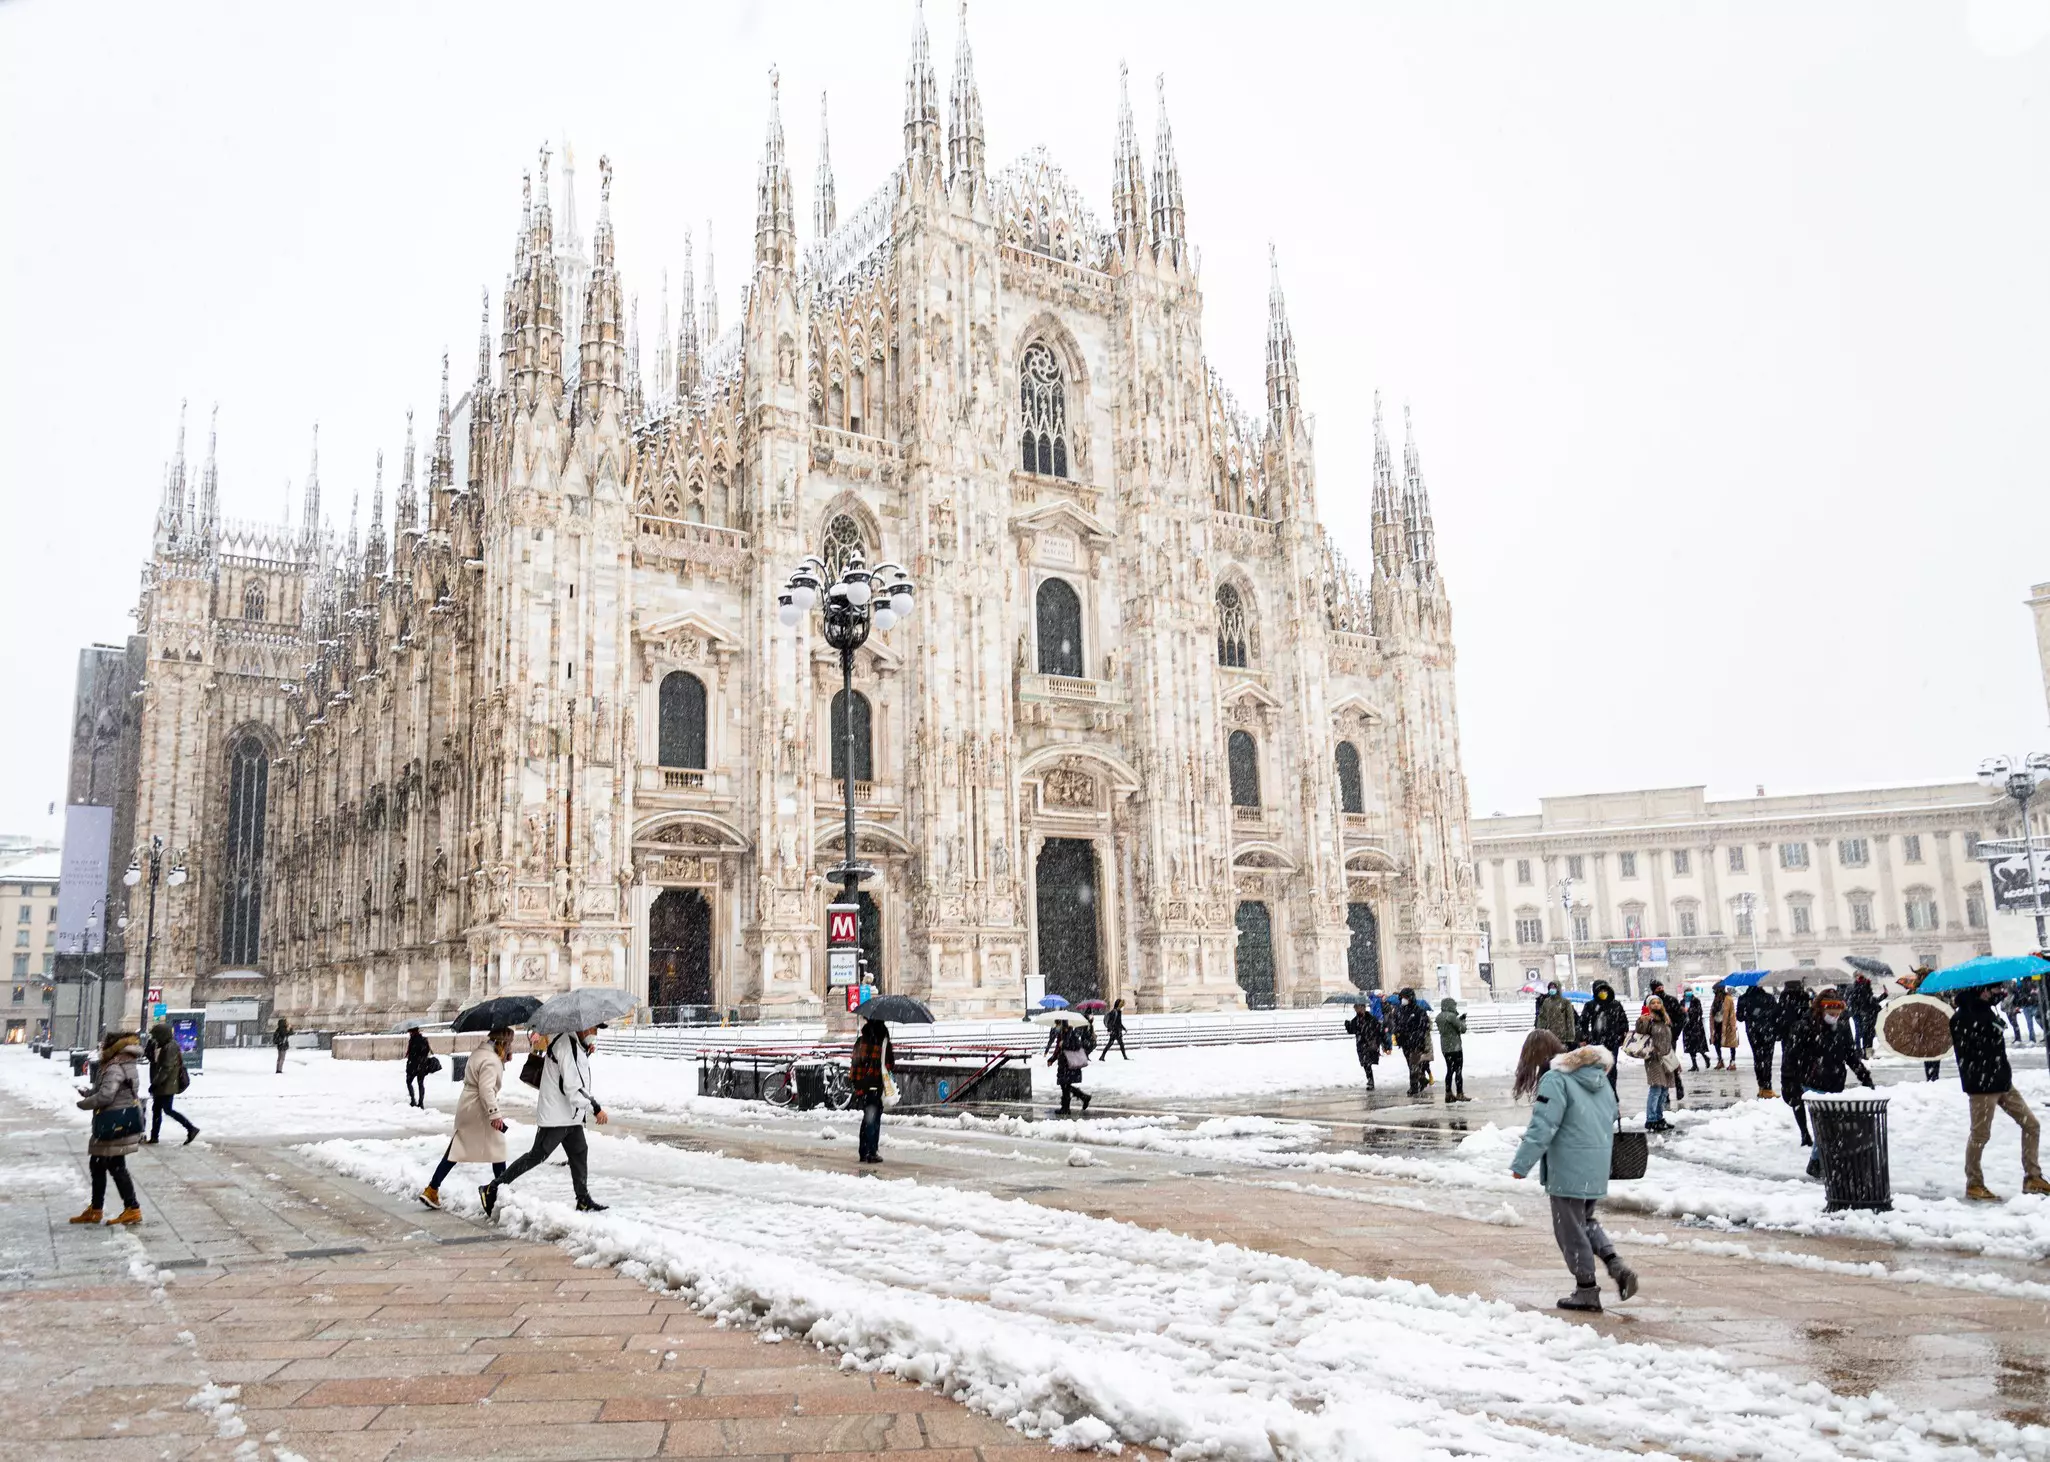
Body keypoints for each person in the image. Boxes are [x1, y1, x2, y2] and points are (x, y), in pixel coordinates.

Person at [1509, 1029, 1639, 1313]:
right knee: (1586, 1221)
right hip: (1597, 1163)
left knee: (1569, 1229)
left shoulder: (1555, 1080)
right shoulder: (1598, 1078)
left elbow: (1543, 1126)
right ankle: (1614, 1263)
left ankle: (1586, 1290)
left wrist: (1522, 1165)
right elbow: (1610, 1114)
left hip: (1569, 1166)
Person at [481, 1027, 608, 1215]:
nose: (595, 1032)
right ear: (583, 1026)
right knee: (537, 1155)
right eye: (595, 1027)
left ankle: (583, 1199)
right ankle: (492, 1187)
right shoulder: (567, 1045)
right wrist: (595, 1108)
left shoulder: (574, 1045)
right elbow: (573, 1088)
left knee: (579, 1152)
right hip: (556, 1116)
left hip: (569, 1116)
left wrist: (584, 1052)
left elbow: (569, 1075)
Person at [1950, 986, 2049, 1202]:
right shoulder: (1962, 1017)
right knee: (1980, 1135)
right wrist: (1991, 1028)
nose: (1997, 992)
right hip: (1982, 1086)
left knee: (2031, 1125)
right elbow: (1971, 1050)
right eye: (1993, 989)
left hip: (2002, 1082)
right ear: (1980, 991)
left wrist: (1994, 1024)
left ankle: (2033, 1177)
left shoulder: (1986, 1011)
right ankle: (1974, 1183)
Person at [421, 1027, 513, 1207]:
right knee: (497, 1148)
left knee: (457, 1149)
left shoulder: (480, 1053)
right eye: (510, 1043)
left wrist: (503, 1060)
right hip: (479, 1109)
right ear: (503, 1043)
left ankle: (432, 1188)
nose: (512, 1047)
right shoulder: (491, 1060)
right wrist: (494, 1114)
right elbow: (486, 1089)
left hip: (468, 1105)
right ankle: (501, 1191)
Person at [1787, 992, 1872, 1177]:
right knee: (1825, 1127)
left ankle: (1819, 1162)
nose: (1834, 1016)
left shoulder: (1840, 1029)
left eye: (1837, 1013)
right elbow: (1791, 1058)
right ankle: (1819, 1163)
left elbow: (1850, 1055)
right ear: (1820, 1009)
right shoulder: (1804, 1027)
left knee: (1829, 1128)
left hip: (1835, 1085)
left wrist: (1865, 1077)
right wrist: (1789, 1085)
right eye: (1831, 1012)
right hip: (1812, 1084)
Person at [71, 1031, 146, 1226]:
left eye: (104, 1045)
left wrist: (85, 1103)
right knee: (100, 1164)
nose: (101, 1048)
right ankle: (97, 1209)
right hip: (117, 1119)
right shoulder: (124, 1062)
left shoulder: (115, 1066)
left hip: (113, 1122)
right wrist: (89, 1092)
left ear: (112, 1047)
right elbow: (111, 1090)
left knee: (114, 1165)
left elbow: (106, 1097)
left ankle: (132, 1208)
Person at [144, 1021, 198, 1145]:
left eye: (155, 1035)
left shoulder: (170, 1047)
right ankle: (154, 1136)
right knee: (156, 1109)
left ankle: (191, 1128)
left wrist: (156, 1083)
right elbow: (153, 1059)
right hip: (163, 1084)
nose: (154, 1038)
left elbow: (166, 1068)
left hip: (167, 1084)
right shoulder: (162, 1045)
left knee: (167, 1109)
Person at [850, 1017, 895, 1163]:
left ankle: (863, 1151)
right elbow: (889, 1065)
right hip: (876, 1085)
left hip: (863, 1085)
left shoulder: (861, 1041)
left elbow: (855, 1063)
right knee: (873, 1119)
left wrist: (857, 1083)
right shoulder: (883, 1043)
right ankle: (871, 1151)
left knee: (867, 1117)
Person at [1575, 980, 1627, 1093]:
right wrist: (1584, 1038)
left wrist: (1622, 1036)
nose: (1603, 992)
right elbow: (1583, 1023)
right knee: (1598, 1067)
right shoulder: (1591, 1005)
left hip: (1613, 1041)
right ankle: (1601, 1091)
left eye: (1605, 990)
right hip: (1597, 1042)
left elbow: (1623, 1022)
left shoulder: (1615, 1005)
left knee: (1612, 1067)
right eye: (1600, 990)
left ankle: (1612, 1092)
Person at [1634, 998, 1675, 1132]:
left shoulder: (1665, 1019)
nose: (1656, 1005)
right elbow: (1640, 1032)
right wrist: (1643, 1019)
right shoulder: (1648, 1019)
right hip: (1654, 1058)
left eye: (1658, 1002)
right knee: (1656, 1088)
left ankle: (1659, 1117)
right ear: (1648, 1005)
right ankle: (1651, 1119)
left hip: (1666, 1057)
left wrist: (1675, 1060)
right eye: (1653, 1003)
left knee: (1664, 1090)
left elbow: (1668, 1040)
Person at [1736, 980, 1779, 1097]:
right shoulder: (1769, 998)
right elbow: (1776, 1014)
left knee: (1757, 1057)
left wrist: (1750, 1015)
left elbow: (1739, 1017)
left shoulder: (1743, 998)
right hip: (1768, 1031)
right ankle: (1768, 1087)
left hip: (1752, 1031)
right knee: (1767, 1058)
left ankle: (1761, 1086)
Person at [1775, 980, 1811, 1108]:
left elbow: (1779, 1016)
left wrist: (1779, 1032)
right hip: (1803, 1034)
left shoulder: (1784, 998)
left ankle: (1792, 1083)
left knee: (1789, 1058)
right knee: (1804, 1058)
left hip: (1787, 1034)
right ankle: (1802, 1081)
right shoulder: (1804, 997)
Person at [1649, 982, 1686, 1102]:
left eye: (1661, 987)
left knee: (1670, 1062)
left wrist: (1674, 1032)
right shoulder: (1650, 1002)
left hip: (1670, 1038)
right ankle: (1665, 1094)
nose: (1661, 989)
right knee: (1659, 1067)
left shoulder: (1671, 1000)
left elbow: (1681, 1018)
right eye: (1658, 988)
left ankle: (1677, 1084)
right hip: (1655, 1040)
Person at [1391, 989, 1431, 1096]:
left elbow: (1423, 1026)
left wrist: (1416, 1036)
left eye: (1406, 997)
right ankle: (1422, 1080)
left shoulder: (1419, 1011)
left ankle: (1413, 1086)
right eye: (1402, 998)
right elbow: (1395, 1023)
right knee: (1411, 1064)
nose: (1403, 1000)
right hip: (1404, 1042)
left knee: (1413, 1064)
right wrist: (1398, 1032)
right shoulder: (1399, 1010)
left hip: (1415, 1042)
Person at [1052, 1022, 1091, 1115]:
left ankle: (1066, 1108)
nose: (1056, 1027)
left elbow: (1076, 1046)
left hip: (1069, 1065)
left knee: (1065, 1086)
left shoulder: (1071, 1034)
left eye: (1058, 1024)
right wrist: (1052, 1059)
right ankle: (1083, 1097)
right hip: (1064, 1064)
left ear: (1063, 1026)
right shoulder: (1062, 1034)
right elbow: (1058, 1049)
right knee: (1065, 1086)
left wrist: (1064, 1044)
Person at [1344, 1001, 1386, 1090]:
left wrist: (1383, 1043)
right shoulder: (1355, 1020)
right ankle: (1370, 1080)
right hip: (1361, 1045)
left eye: (1357, 1008)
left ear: (1363, 1008)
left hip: (1370, 1044)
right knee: (1365, 1063)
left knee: (1367, 1062)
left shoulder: (1371, 1019)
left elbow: (1380, 1030)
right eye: (1355, 1008)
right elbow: (1352, 1030)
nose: (1356, 1010)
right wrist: (1348, 1026)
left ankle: (1370, 1081)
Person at [1436, 995, 1469, 1102]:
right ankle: (1460, 1093)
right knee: (1458, 1071)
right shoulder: (1451, 1016)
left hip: (1445, 1048)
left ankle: (1448, 1093)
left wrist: (1457, 1019)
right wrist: (1462, 1020)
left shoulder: (1439, 1017)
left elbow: (1448, 1027)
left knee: (1449, 1070)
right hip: (1455, 1047)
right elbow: (1462, 1029)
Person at [1534, 982, 1578, 1048]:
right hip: (1549, 1036)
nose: (1552, 989)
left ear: (1558, 989)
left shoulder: (1565, 1002)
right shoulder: (1546, 1002)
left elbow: (1570, 1020)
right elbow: (1542, 1018)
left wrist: (1570, 1037)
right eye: (1550, 988)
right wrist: (1540, 1031)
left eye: (1554, 988)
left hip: (1562, 1036)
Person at [1847, 975, 1882, 1058]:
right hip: (1863, 1014)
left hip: (1864, 1013)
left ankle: (1864, 1052)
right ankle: (1862, 1052)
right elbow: (1868, 1001)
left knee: (1866, 1033)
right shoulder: (1861, 990)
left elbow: (1871, 1001)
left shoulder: (1861, 989)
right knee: (1864, 1033)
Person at [1709, 983, 1740, 1070]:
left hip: (1727, 1025)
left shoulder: (1728, 999)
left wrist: (1732, 1025)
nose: (1714, 992)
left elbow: (1732, 1013)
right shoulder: (1716, 1000)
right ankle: (1720, 1060)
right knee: (1716, 1042)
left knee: (1731, 1043)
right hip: (1717, 1024)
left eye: (1715, 990)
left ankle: (1733, 1061)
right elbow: (1712, 1012)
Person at [404, 1027, 434, 1108]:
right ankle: (421, 1102)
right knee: (420, 1084)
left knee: (409, 1082)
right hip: (422, 1065)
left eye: (410, 1032)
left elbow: (411, 1053)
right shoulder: (424, 1040)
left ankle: (413, 1100)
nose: (409, 1034)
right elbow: (427, 1051)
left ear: (412, 1032)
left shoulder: (413, 1040)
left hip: (413, 1065)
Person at [1680, 990, 1709, 1073]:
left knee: (1698, 1044)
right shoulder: (1682, 1002)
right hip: (1686, 1027)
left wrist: (1689, 1011)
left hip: (1695, 1026)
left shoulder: (1696, 1001)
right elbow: (1679, 1012)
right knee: (1690, 1047)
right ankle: (1694, 1064)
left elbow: (1699, 1012)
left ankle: (1705, 1057)